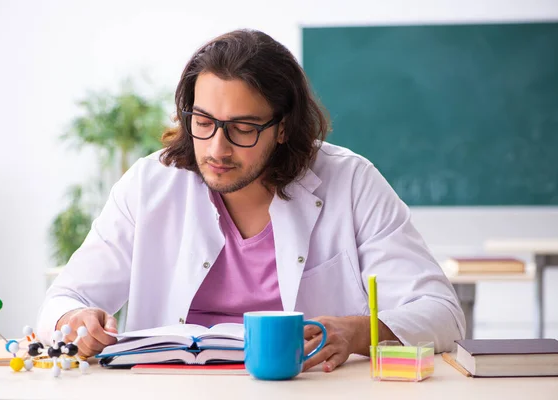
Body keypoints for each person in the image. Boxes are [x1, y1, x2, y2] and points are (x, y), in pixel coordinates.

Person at [37, 29, 465, 373]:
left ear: (283, 126)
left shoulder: (351, 182)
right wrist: (74, 321)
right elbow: (65, 298)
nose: (217, 149)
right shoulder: (151, 185)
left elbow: (443, 313)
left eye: (242, 128)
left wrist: (359, 331)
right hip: (171, 386)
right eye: (203, 122)